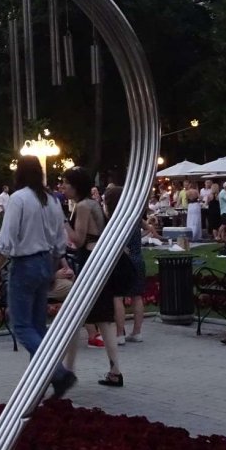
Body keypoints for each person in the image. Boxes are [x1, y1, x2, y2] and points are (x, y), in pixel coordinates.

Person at [0, 155, 75, 399]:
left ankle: (58, 372)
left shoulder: (19, 199)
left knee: (22, 326)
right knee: (37, 326)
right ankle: (38, 382)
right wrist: (54, 266)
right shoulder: (52, 200)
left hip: (25, 264)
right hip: (46, 261)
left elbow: (6, 239)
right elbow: (60, 240)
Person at [63, 166, 123, 387]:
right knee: (103, 319)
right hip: (100, 261)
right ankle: (115, 370)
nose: (63, 187)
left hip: (90, 263)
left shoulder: (82, 206)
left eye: (66, 183)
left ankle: (68, 372)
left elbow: (78, 239)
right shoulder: (93, 203)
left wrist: (63, 223)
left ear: (76, 186)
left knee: (72, 317)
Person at [105, 186, 146, 343]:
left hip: (122, 260)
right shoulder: (134, 216)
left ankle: (119, 333)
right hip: (138, 258)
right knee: (137, 296)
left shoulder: (116, 219)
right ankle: (137, 332)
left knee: (117, 297)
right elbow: (147, 228)